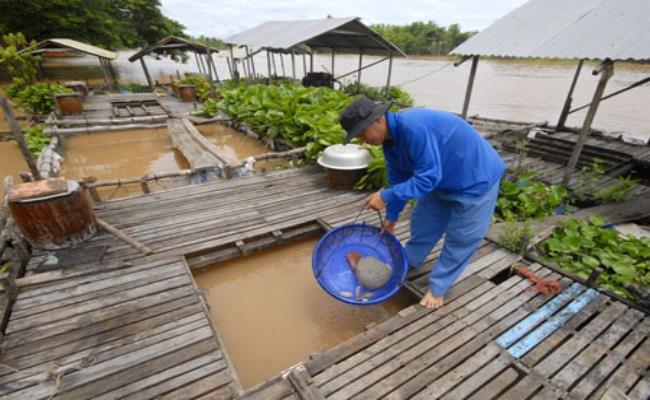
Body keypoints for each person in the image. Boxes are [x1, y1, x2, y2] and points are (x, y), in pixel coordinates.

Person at [339, 96, 505, 310]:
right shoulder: (389, 141)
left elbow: (427, 178)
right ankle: (410, 261)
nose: (362, 140)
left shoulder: (414, 128)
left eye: (362, 133)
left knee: (461, 237)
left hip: (475, 178)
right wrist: (391, 217)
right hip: (440, 179)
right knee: (424, 224)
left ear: (378, 120)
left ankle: (438, 288)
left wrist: (386, 196)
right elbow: (399, 179)